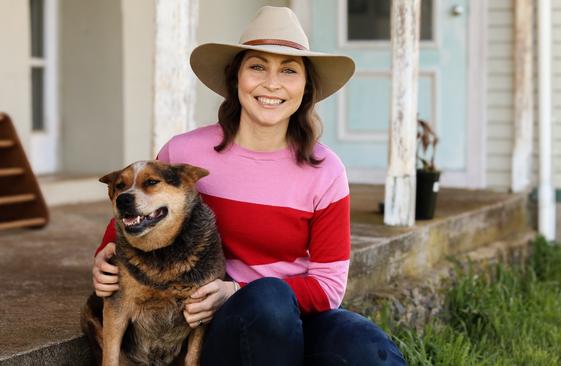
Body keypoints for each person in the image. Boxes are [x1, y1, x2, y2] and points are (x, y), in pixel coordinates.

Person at [92, 6, 406, 366]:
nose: (272, 83)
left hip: (295, 311)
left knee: (366, 349)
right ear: (236, 77)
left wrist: (236, 290)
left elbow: (328, 287)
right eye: (257, 66)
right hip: (219, 323)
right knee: (267, 303)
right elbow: (144, 208)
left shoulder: (326, 171)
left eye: (288, 70)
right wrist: (105, 254)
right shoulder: (185, 152)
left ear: (305, 88)